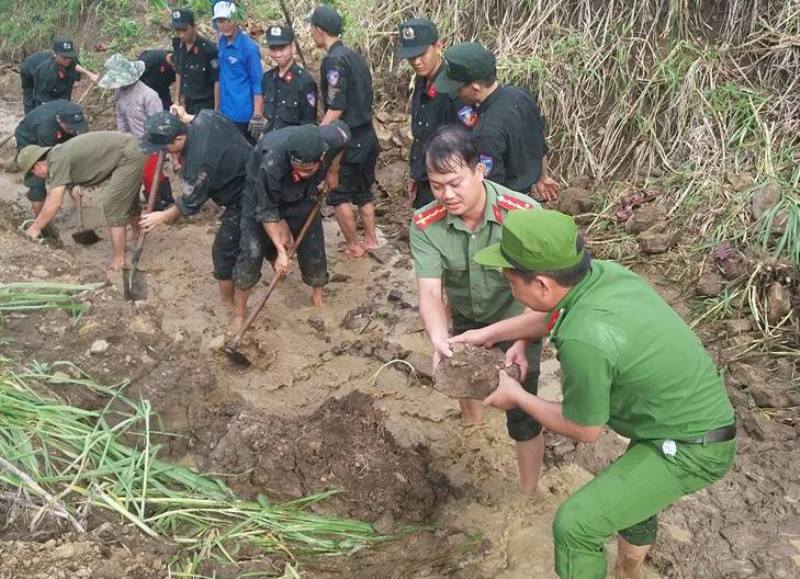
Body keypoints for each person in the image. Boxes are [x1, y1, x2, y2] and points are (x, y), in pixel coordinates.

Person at [461, 209, 736, 578]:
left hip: (691, 447)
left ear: (541, 284)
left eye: (511, 282)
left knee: (575, 525)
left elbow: (585, 430)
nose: (510, 288)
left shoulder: (584, 338)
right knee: (630, 498)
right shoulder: (603, 276)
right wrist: (490, 334)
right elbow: (552, 315)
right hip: (682, 419)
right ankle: (629, 571)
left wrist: (517, 396)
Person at [409, 124, 544, 495]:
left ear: (480, 170)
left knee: (523, 410)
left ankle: (528, 494)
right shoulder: (425, 223)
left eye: (455, 183)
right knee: (461, 371)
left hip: (519, 319)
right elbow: (431, 294)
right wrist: (439, 338)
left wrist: (522, 336)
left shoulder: (524, 214)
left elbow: (547, 295)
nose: (446, 195)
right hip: (467, 316)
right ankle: (473, 431)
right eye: (437, 186)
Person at [233, 121, 350, 325]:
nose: (303, 174)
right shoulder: (271, 163)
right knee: (251, 252)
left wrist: (333, 171)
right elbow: (267, 210)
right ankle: (239, 315)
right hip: (259, 195)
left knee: (313, 244)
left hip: (302, 195)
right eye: (299, 169)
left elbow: (345, 136)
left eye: (309, 170)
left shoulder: (332, 139)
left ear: (321, 157)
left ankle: (318, 295)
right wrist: (281, 251)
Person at [138, 110, 252, 320]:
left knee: (223, 250)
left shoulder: (199, 163)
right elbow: (195, 118)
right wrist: (183, 115)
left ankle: (228, 305)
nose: (164, 152)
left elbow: (189, 204)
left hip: (247, 194)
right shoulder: (206, 118)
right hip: (249, 167)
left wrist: (161, 216)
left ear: (180, 138)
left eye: (166, 147)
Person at [434, 42, 558, 201]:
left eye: (458, 89)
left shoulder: (486, 133)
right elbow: (539, 142)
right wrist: (543, 177)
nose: (456, 93)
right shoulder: (520, 95)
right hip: (527, 200)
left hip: (506, 206)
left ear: (476, 87)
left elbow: (491, 189)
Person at [17, 132, 147, 273]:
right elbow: (75, 168)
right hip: (130, 148)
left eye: (32, 174)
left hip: (128, 155)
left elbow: (54, 202)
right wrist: (73, 186)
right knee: (126, 195)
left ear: (36, 167)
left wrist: (35, 228)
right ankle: (137, 234)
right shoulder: (56, 154)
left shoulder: (56, 162)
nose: (37, 177)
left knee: (113, 204)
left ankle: (119, 260)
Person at [308, 4, 379, 257]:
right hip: (369, 135)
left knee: (338, 195)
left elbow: (336, 107)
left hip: (349, 138)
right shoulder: (355, 56)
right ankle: (371, 240)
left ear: (319, 30)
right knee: (363, 190)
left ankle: (353, 245)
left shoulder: (334, 60)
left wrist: (316, 137)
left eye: (312, 29)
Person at [396, 17, 456, 210]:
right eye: (411, 57)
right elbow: (421, 134)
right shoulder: (422, 81)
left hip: (447, 180)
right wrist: (416, 173)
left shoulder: (453, 88)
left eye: (422, 54)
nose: (416, 62)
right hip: (427, 177)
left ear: (438, 46)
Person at [99, 53, 172, 209]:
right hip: (131, 141)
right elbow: (121, 117)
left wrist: (156, 145)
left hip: (150, 141)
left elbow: (159, 123)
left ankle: (161, 202)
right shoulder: (119, 94)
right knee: (134, 174)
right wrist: (121, 139)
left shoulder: (148, 95)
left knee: (151, 174)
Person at [14, 100, 89, 229]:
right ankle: (43, 226)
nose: (74, 131)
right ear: (60, 121)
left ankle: (79, 220)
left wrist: (75, 182)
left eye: (75, 128)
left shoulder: (74, 114)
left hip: (58, 134)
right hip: (30, 140)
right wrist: (58, 189)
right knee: (37, 181)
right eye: (70, 128)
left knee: (73, 174)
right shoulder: (45, 129)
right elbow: (51, 160)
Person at [213, 1, 265, 144]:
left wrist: (257, 114)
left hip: (243, 112)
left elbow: (257, 82)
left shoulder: (248, 48)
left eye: (228, 20)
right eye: (220, 21)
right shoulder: (222, 42)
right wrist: (217, 108)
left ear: (236, 20)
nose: (224, 24)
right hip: (226, 109)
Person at [20, 37, 99, 114]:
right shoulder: (46, 73)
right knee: (32, 101)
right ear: (55, 54)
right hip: (29, 71)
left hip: (52, 70)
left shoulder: (70, 59)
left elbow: (74, 66)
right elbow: (43, 99)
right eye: (64, 57)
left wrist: (90, 74)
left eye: (69, 56)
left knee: (63, 99)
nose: (68, 60)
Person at [262, 24, 317, 133]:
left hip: (291, 146)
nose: (278, 54)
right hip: (268, 144)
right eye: (273, 48)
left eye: (282, 48)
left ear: (292, 48)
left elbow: (308, 125)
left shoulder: (305, 82)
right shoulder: (267, 78)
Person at [171, 7, 219, 115]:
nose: (181, 35)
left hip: (206, 103)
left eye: (185, 30)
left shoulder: (209, 50)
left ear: (194, 27)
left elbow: (217, 81)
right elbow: (179, 72)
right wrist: (177, 101)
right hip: (188, 100)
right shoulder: (178, 44)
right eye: (178, 31)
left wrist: (216, 111)